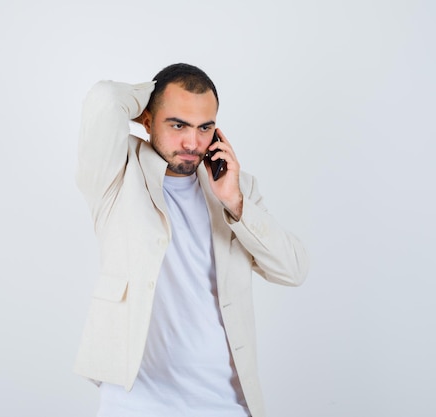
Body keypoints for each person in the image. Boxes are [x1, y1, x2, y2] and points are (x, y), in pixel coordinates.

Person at [74, 63, 309, 417]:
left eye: (205, 128)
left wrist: (235, 202)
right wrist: (150, 94)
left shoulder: (236, 189)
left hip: (224, 404)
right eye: (178, 124)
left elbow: (293, 270)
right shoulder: (118, 175)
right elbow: (105, 99)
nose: (192, 142)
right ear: (147, 120)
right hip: (136, 403)